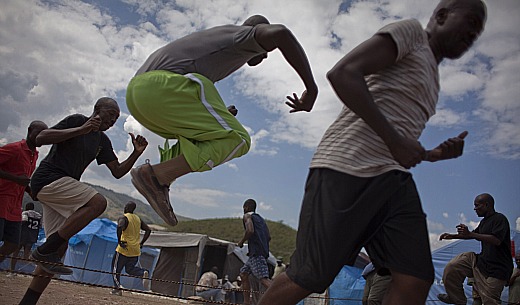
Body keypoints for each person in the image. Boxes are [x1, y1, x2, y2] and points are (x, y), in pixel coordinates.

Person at [258, 1, 487, 305]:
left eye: (479, 29)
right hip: (346, 166)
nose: (474, 32)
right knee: (310, 275)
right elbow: (342, 73)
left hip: (392, 179)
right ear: (442, 16)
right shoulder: (412, 35)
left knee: (415, 278)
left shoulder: (432, 79)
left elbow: (402, 145)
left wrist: (435, 154)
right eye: (470, 21)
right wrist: (395, 141)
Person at [127, 14, 318, 227]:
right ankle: (156, 176)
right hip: (160, 87)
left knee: (205, 137)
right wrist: (311, 89)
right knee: (238, 139)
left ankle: (161, 180)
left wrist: (219, 112)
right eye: (265, 52)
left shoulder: (220, 44)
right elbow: (281, 34)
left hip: (139, 98)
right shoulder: (242, 36)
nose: (265, 57)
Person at [17, 97, 148, 305]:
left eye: (116, 117)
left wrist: (135, 153)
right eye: (110, 114)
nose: (113, 120)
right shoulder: (77, 121)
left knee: (58, 252)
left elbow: (117, 171)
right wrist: (81, 130)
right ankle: (44, 248)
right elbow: (41, 138)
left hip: (62, 188)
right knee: (98, 203)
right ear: (96, 110)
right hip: (47, 178)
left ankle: (28, 300)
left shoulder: (102, 141)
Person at [437, 193, 513, 305]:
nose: (475, 209)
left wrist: (471, 234)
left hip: (497, 270)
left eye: (477, 206)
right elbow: (472, 234)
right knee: (453, 266)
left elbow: (496, 240)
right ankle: (456, 298)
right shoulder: (483, 222)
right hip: (482, 263)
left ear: (487, 205)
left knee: (490, 301)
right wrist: (453, 236)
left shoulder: (499, 219)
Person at [0, 120, 47, 265]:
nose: (41, 137)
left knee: (13, 243)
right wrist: (15, 179)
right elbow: (18, 177)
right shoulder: (15, 148)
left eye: (44, 135)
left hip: (15, 206)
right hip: (2, 199)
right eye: (38, 133)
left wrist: (31, 191)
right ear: (29, 130)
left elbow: (23, 178)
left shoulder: (34, 154)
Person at [110, 201, 152, 296]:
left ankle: (117, 289)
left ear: (126, 208)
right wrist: (142, 243)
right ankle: (142, 273)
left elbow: (120, 226)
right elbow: (148, 230)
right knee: (130, 269)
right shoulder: (138, 219)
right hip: (135, 250)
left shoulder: (124, 217)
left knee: (115, 269)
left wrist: (119, 241)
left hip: (124, 248)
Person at [238, 198, 271, 305]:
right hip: (255, 254)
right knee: (243, 274)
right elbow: (268, 237)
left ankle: (284, 298)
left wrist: (242, 241)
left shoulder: (247, 216)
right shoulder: (261, 220)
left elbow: (250, 230)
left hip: (257, 254)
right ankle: (246, 302)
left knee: (263, 280)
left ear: (246, 207)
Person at [8, 202, 42, 274]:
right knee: (27, 255)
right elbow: (40, 226)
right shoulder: (38, 216)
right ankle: (35, 269)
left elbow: (22, 222)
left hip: (22, 236)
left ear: (26, 207)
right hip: (32, 237)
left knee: (15, 253)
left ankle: (12, 270)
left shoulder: (25, 213)